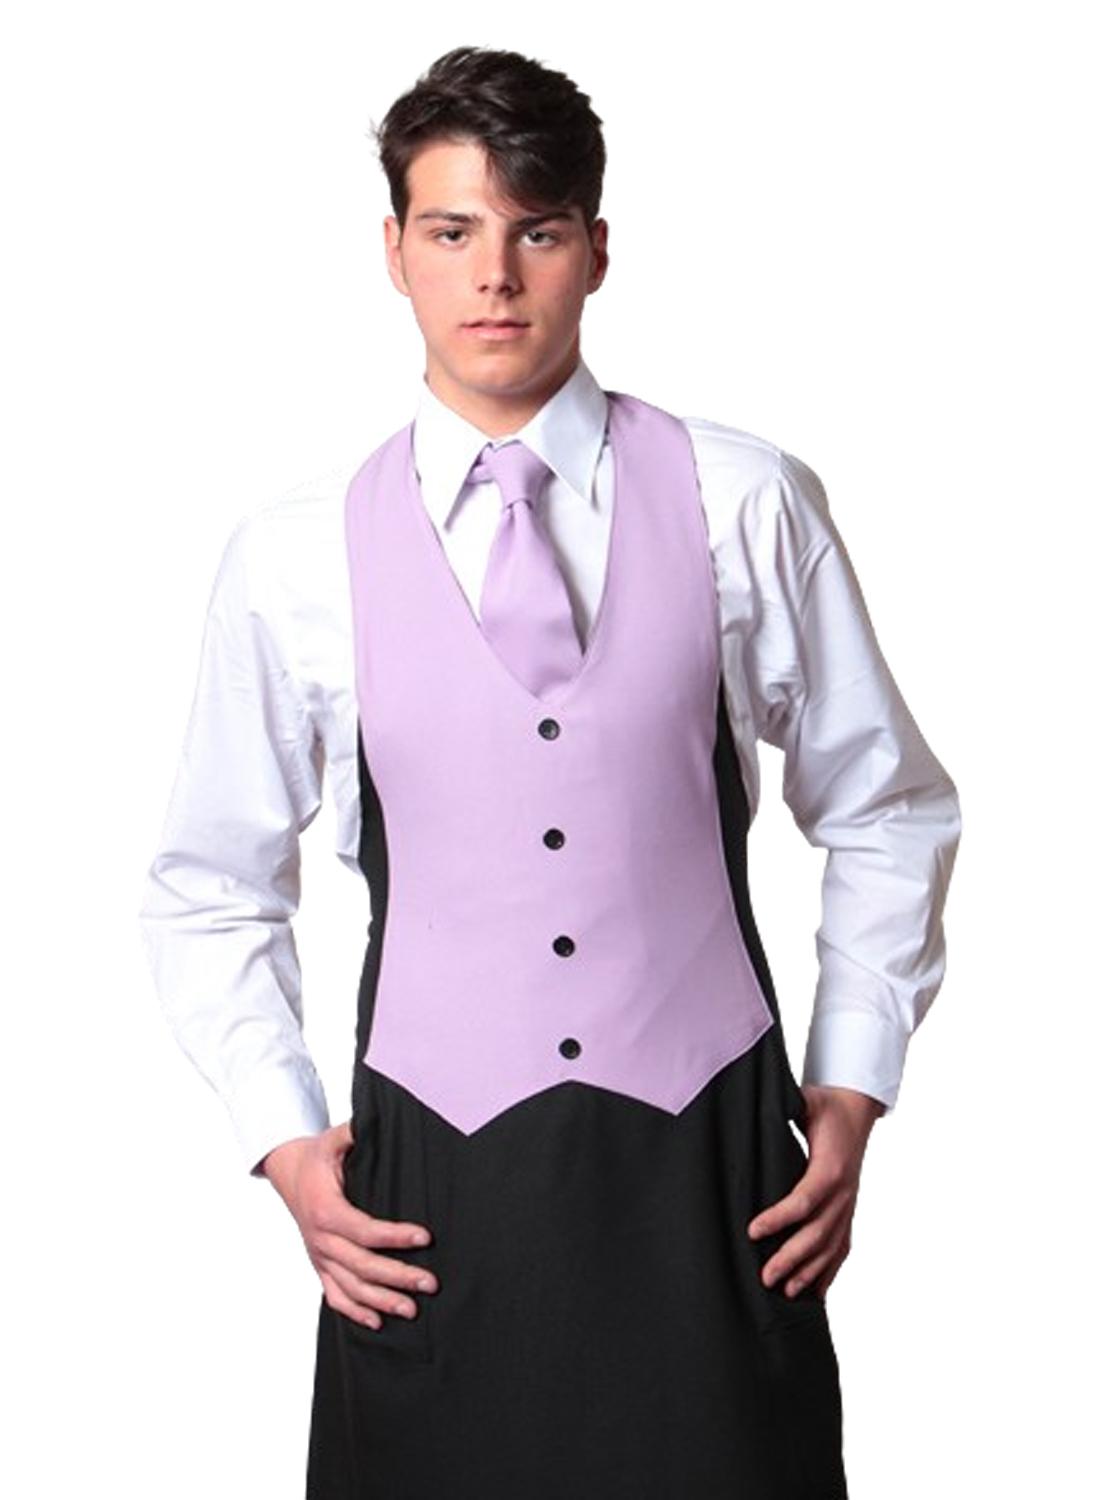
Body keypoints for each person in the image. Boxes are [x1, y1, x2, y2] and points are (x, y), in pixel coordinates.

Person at [138, 44, 961, 1500]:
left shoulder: (745, 500)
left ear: (597, 248)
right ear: (394, 251)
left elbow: (887, 807)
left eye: (537, 230)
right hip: (433, 1197)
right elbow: (210, 883)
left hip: (710, 1175)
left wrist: (851, 1084)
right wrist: (285, 1141)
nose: (495, 277)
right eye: (453, 230)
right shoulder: (292, 557)